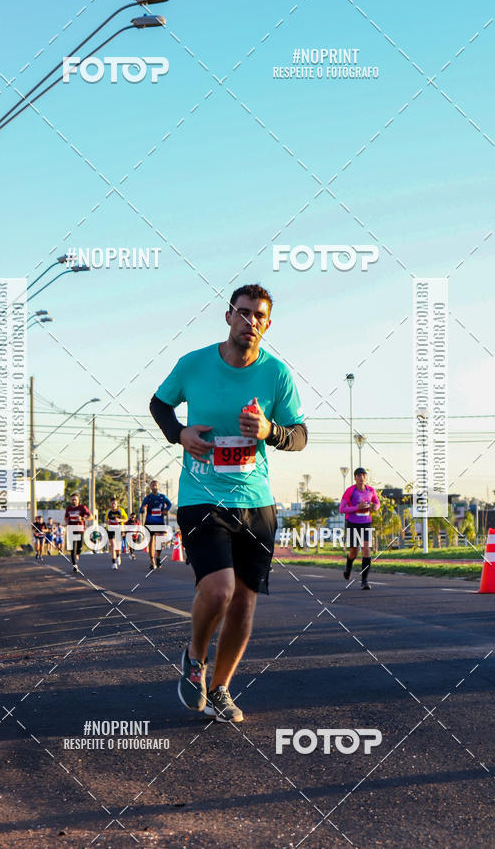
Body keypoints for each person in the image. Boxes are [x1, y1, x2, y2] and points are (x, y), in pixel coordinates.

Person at [150, 283, 307, 723]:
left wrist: (269, 432)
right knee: (220, 590)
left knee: (243, 603)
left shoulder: (277, 374)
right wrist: (179, 433)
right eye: (243, 312)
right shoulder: (194, 364)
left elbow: (299, 436)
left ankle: (220, 689)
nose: (249, 321)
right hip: (201, 495)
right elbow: (159, 404)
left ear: (267, 324)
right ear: (228, 316)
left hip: (256, 502)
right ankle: (195, 658)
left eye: (259, 316)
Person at [339, 467, 380, 590]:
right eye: (358, 476)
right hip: (352, 523)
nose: (361, 478)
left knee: (366, 550)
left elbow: (377, 503)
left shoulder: (371, 490)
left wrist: (375, 507)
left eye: (363, 475)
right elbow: (342, 509)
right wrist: (357, 507)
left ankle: (364, 581)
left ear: (366, 477)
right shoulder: (350, 491)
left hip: (366, 523)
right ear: (355, 478)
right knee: (354, 551)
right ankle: (348, 565)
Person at [139, 481, 172, 571]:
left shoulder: (162, 497)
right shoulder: (148, 498)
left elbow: (169, 504)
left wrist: (166, 510)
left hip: (159, 522)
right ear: (150, 487)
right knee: (151, 541)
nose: (154, 487)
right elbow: (141, 510)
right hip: (149, 522)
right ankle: (152, 561)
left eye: (156, 485)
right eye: (153, 485)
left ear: (158, 486)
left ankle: (158, 557)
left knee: (159, 540)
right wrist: (143, 509)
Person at [64, 492, 91, 573]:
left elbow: (91, 516)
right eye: (72, 500)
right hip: (71, 529)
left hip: (80, 529)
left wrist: (82, 518)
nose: (74, 501)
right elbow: (66, 517)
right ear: (71, 500)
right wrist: (66, 522)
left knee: (79, 547)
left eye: (75, 499)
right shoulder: (68, 508)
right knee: (72, 548)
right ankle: (74, 565)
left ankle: (77, 554)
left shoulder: (82, 507)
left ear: (78, 500)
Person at [106, 497, 128, 569]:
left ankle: (118, 556)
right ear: (110, 504)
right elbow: (106, 519)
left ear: (117, 504)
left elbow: (126, 519)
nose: (113, 505)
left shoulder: (121, 510)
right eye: (112, 504)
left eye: (114, 504)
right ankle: (114, 563)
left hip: (119, 529)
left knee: (118, 546)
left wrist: (119, 520)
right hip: (111, 529)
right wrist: (108, 521)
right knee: (112, 545)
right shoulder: (108, 511)